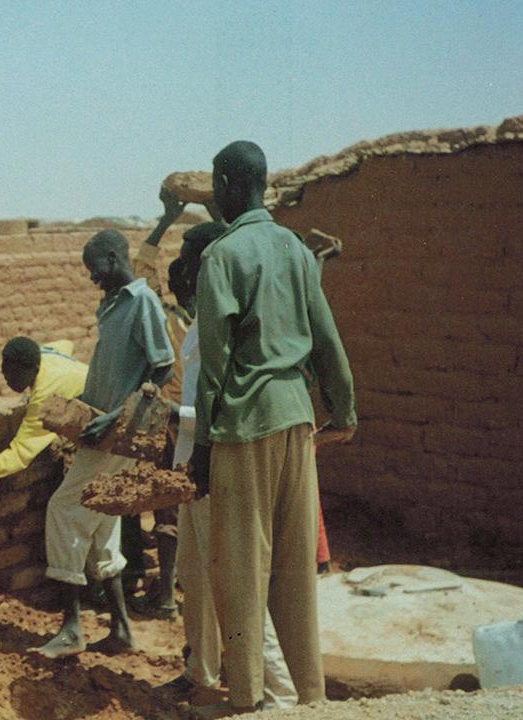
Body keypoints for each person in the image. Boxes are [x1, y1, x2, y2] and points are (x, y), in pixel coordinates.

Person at [190, 141, 357, 715]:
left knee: (240, 567)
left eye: (216, 185)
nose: (214, 196)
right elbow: (326, 337)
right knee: (294, 569)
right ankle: (310, 697)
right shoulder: (294, 248)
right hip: (298, 417)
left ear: (230, 183)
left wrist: (203, 447)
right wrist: (345, 407)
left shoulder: (223, 255)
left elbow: (213, 363)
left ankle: (247, 699)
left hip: (245, 421)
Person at [162, 222, 299, 713]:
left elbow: (228, 408)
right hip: (191, 471)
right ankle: (201, 672)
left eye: (192, 258)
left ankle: (277, 698)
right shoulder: (201, 322)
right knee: (193, 577)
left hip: (222, 469)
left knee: (237, 587)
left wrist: (175, 417)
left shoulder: (234, 326)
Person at [32, 229, 174, 659]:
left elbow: (161, 367)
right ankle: (122, 630)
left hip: (119, 434)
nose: (92, 278)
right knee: (100, 524)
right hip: (100, 431)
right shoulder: (112, 305)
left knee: (63, 510)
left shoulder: (142, 300)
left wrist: (117, 415)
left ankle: (72, 628)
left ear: (113, 258)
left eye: (94, 269)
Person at [122, 189, 197, 616]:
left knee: (159, 503)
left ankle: (165, 593)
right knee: (179, 503)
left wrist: (167, 220)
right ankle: (172, 589)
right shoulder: (210, 319)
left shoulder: (168, 316)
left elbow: (142, 269)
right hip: (196, 420)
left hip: (165, 418)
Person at [0, 337, 87, 494]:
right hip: (107, 398)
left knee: (62, 509)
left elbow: (23, 451)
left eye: (15, 375)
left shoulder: (43, 395)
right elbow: (66, 344)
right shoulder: (44, 353)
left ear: (35, 368)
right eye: (5, 373)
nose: (8, 381)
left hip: (104, 419)